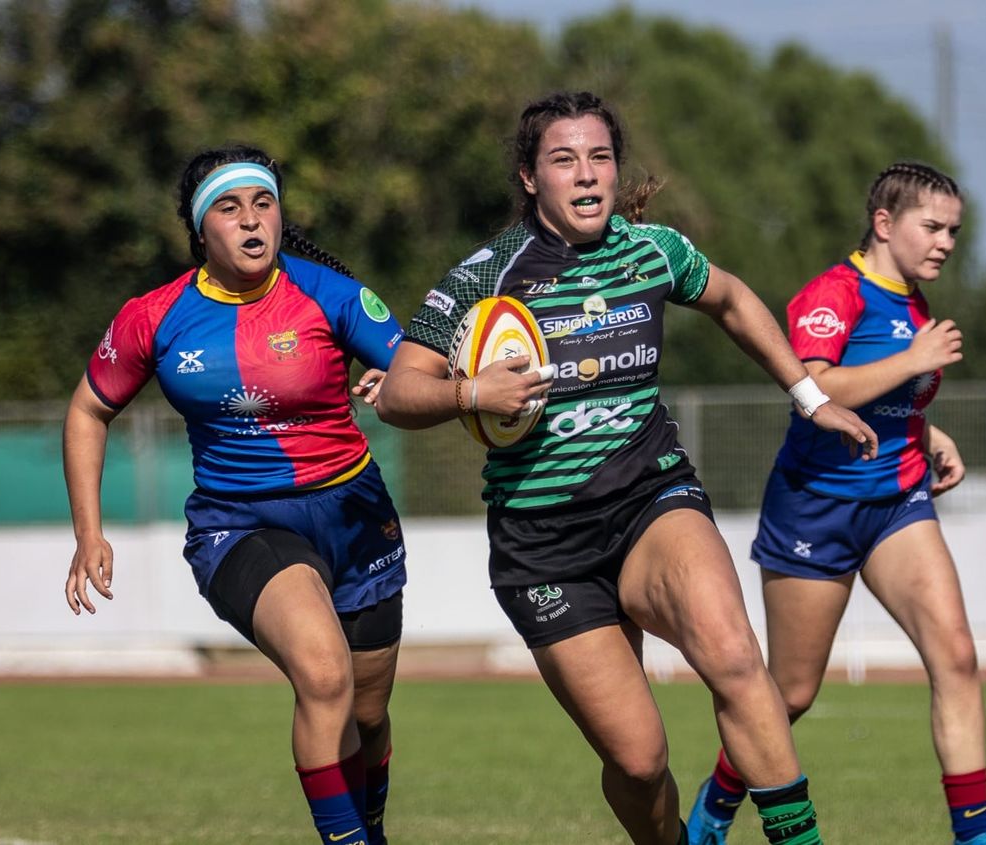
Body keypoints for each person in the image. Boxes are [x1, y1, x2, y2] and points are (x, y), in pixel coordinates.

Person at [376, 91, 877, 845]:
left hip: (651, 496)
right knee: (640, 761)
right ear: (529, 178)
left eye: (600, 157)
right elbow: (398, 393)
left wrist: (809, 396)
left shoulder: (653, 251)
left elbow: (735, 299)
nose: (586, 175)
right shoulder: (487, 276)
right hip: (542, 543)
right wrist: (473, 392)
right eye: (564, 159)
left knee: (736, 656)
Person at [62, 146, 408, 845]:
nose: (252, 221)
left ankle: (370, 827)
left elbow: (415, 369)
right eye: (229, 207)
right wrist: (88, 531)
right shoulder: (153, 316)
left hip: (355, 516)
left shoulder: (330, 293)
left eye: (264, 203)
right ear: (200, 230)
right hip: (239, 525)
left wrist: (398, 384)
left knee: (367, 712)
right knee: (323, 671)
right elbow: (86, 411)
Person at [683, 162, 986, 845]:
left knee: (957, 656)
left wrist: (930, 432)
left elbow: (885, 398)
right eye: (933, 226)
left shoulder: (915, 305)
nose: (946, 241)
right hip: (815, 510)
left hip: (897, 504)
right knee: (790, 694)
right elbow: (818, 385)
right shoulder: (836, 292)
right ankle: (717, 802)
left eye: (954, 229)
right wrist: (913, 361)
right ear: (885, 224)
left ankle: (977, 837)